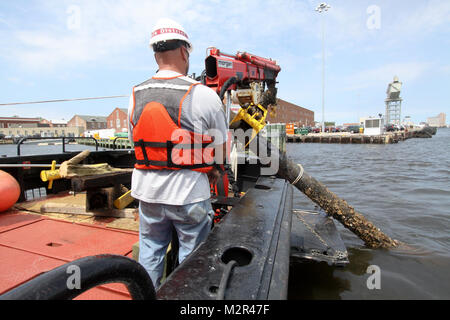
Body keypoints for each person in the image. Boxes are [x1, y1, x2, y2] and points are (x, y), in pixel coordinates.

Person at [128, 18, 228, 288]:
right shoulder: (205, 95)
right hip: (189, 196)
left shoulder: (135, 95)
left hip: (148, 194)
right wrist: (216, 170)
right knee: (192, 262)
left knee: (150, 252)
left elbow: (135, 143)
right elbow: (222, 147)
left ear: (156, 53)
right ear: (185, 51)